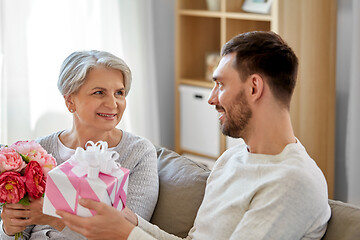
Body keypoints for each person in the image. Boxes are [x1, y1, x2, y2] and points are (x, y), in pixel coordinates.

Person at [57, 31, 331, 240]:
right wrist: (128, 220)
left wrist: (126, 234)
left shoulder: (292, 182)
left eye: (221, 85)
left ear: (254, 88)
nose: (211, 99)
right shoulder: (232, 159)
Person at [0, 50, 159, 239]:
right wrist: (8, 229)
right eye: (99, 92)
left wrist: (54, 219)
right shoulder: (39, 151)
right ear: (70, 101)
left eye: (119, 93)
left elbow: (127, 234)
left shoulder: (138, 153)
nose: (113, 103)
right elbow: (19, 232)